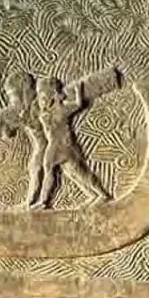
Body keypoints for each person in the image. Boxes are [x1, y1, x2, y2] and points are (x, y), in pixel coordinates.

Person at [31, 76, 109, 209]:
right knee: (76, 173)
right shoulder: (58, 111)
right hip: (61, 146)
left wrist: (78, 91)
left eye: (43, 96)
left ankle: (100, 195)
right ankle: (97, 195)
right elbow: (77, 104)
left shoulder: (53, 112)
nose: (41, 100)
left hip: (62, 146)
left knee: (75, 172)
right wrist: (77, 91)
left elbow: (78, 105)